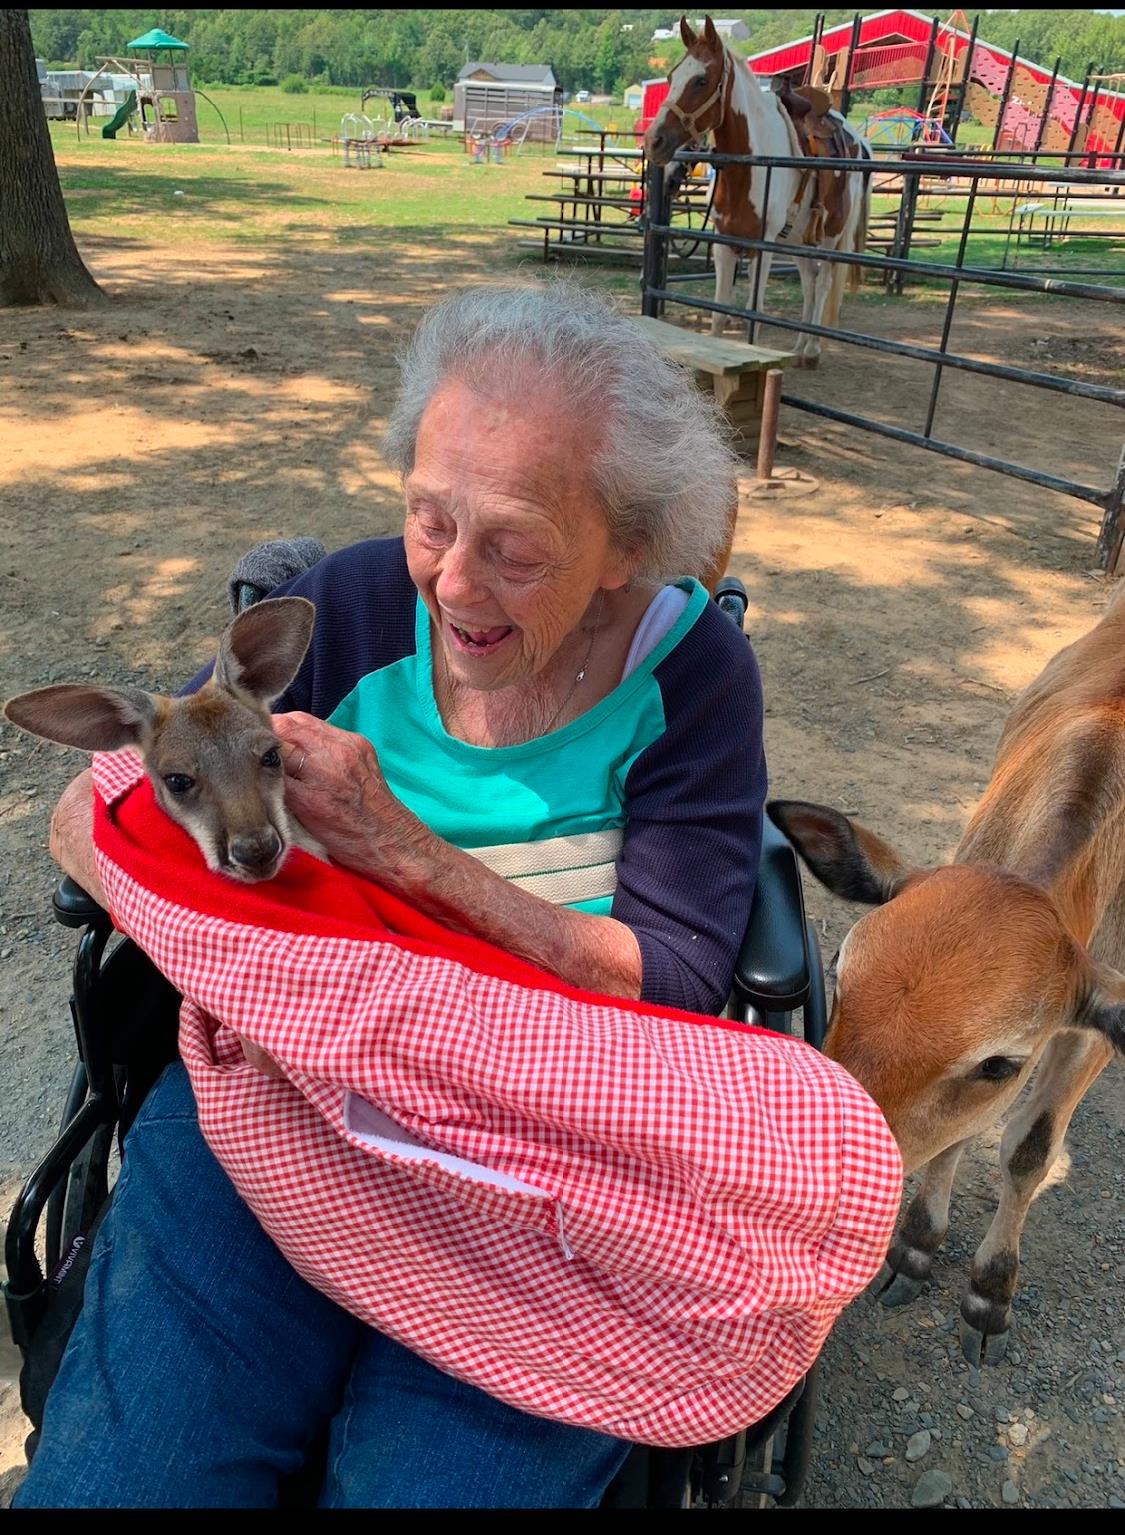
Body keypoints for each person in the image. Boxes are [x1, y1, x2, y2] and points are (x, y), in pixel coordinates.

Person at [17, 280, 767, 1509]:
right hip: (285, 1104)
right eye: (432, 519)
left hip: (539, 1163)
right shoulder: (355, 600)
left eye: (514, 545)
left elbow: (677, 979)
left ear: (626, 544)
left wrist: (410, 857)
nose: (454, 586)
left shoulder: (691, 677)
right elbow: (109, 796)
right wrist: (218, 935)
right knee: (128, 1479)